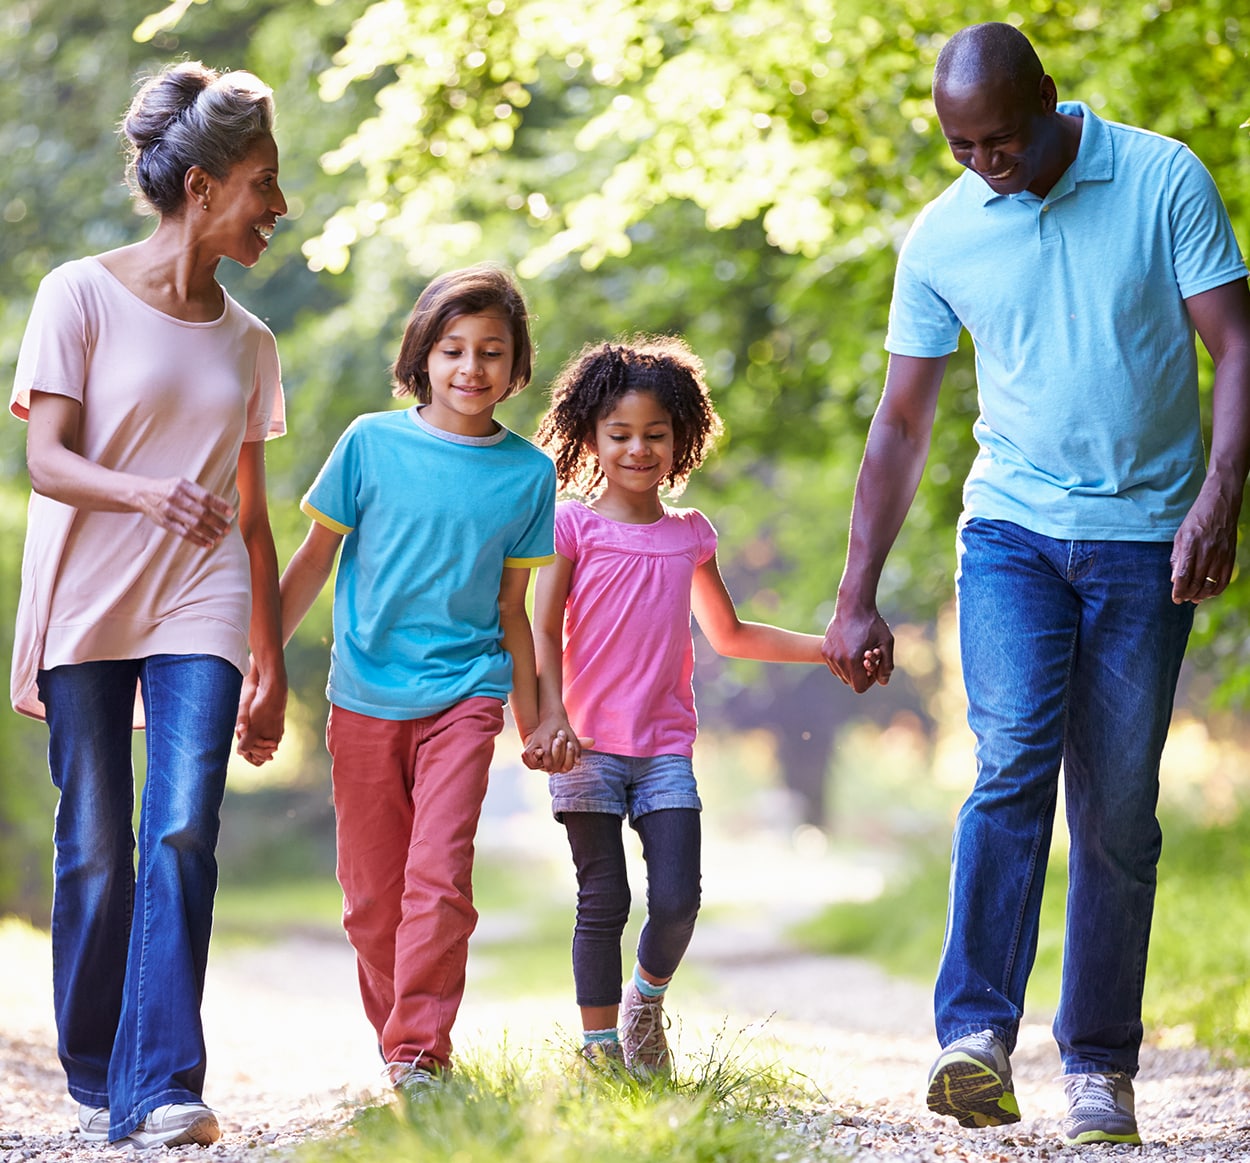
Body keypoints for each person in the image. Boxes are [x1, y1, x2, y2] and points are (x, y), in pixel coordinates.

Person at [822, 21, 1250, 1148]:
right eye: (960, 147)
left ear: (1049, 101)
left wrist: (1217, 497)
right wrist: (854, 587)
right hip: (1010, 532)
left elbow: (1238, 342)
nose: (983, 166)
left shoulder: (1159, 178)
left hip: (1144, 540)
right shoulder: (944, 232)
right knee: (1009, 757)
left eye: (999, 140)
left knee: (1114, 809)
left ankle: (1100, 1065)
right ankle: (972, 1037)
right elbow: (904, 418)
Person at [9, 62, 288, 1147]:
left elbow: (252, 518)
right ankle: (95, 1071)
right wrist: (147, 494)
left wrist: (267, 657)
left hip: (200, 599)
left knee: (180, 827)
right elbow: (46, 460)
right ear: (204, 184)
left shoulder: (251, 342)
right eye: (264, 182)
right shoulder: (76, 292)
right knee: (94, 844)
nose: (276, 207)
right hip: (87, 593)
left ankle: (163, 1080)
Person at [528, 336, 856, 1075]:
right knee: (602, 898)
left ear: (681, 439)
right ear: (591, 438)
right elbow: (542, 629)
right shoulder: (572, 526)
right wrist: (548, 717)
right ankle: (600, 1053)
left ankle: (646, 1002)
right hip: (584, 746)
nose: (639, 449)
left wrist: (827, 647)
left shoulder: (689, 535)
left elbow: (732, 633)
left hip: (664, 749)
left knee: (678, 896)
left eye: (655, 434)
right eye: (620, 435)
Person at [275, 264, 555, 1096]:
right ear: (423, 357)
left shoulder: (527, 473)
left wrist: (535, 717)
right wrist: (256, 666)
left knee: (438, 875)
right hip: (363, 695)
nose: (472, 369)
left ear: (516, 365)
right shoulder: (369, 442)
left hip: (468, 694)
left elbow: (515, 609)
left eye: (492, 352)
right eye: (454, 350)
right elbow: (312, 562)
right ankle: (400, 1039)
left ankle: (419, 1053)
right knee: (370, 902)